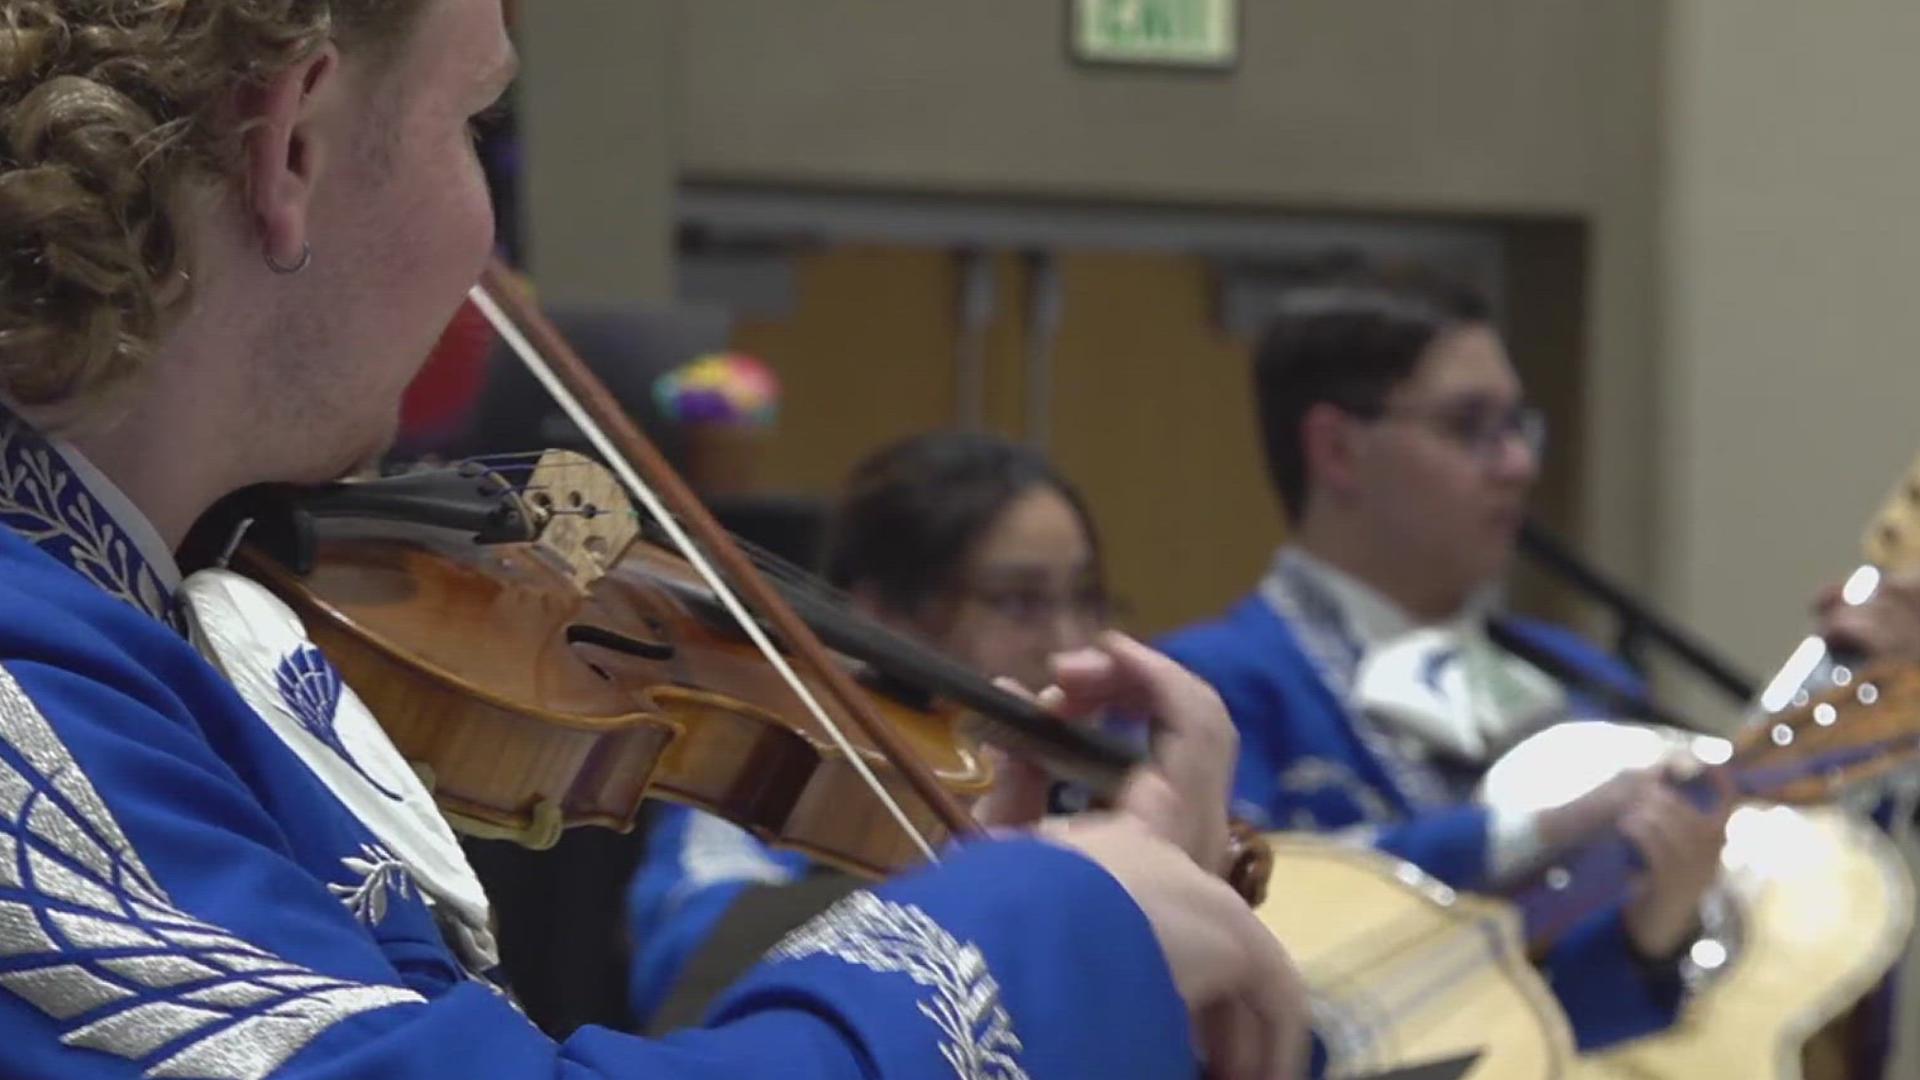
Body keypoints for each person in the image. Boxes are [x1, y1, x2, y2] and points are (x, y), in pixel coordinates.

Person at [0, 3, 1305, 1077]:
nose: (488, 244)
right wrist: (1052, 929)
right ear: (290, 146)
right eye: (475, 122)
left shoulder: (148, 608)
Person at [1157, 260, 1728, 1051]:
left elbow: (1562, 1021)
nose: (1518, 465)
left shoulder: (1584, 679)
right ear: (1336, 451)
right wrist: (1536, 829)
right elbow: (1249, 936)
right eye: (1469, 426)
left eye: (1517, 427)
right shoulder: (1204, 690)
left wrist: (1650, 936)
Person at [628, 431, 1118, 1030]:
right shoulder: (765, 761)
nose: (1071, 646)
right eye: (1020, 603)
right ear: (882, 616)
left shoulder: (1113, 771)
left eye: (1086, 597)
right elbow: (696, 971)